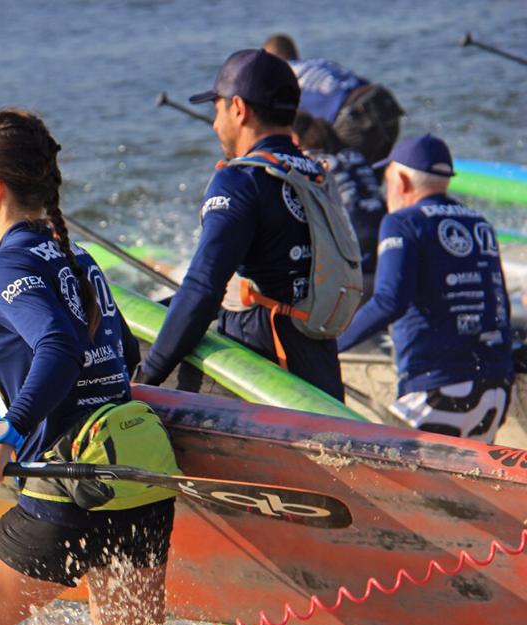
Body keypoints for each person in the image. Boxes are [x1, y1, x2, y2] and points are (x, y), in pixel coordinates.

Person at [0, 109, 181, 625]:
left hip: (68, 494)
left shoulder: (5, 266)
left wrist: (7, 433)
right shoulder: (80, 260)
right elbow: (124, 355)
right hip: (137, 481)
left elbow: (58, 346)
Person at [136, 49, 345, 401]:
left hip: (265, 380)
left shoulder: (241, 180)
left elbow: (203, 287)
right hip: (322, 373)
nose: (215, 124)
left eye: (217, 110)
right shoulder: (315, 175)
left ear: (238, 108)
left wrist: (147, 376)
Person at [336, 134, 514, 443]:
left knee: (377, 469)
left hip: (436, 390)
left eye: (387, 179)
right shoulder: (480, 223)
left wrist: (332, 345)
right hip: (496, 389)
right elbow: (501, 304)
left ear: (402, 181)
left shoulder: (402, 222)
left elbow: (390, 301)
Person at [264, 34, 403, 164]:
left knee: (346, 174)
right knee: (372, 173)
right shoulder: (319, 63)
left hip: (357, 117)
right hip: (384, 103)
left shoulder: (283, 77)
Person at [291, 110, 386, 298]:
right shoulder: (354, 155)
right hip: (382, 230)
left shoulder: (307, 162)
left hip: (353, 241)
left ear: (294, 138)